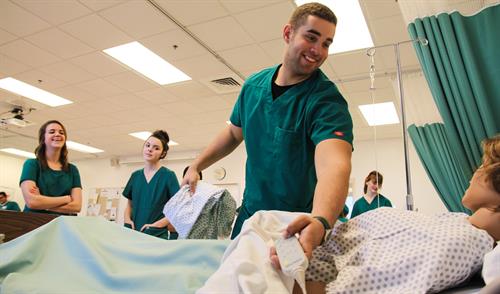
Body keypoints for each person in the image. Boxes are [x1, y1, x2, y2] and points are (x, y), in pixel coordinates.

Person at [183, 2, 353, 257]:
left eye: (327, 43)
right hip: (251, 217)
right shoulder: (252, 86)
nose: (318, 50)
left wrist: (320, 221)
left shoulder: (326, 100)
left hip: (296, 224)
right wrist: (197, 165)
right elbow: (233, 133)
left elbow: (334, 165)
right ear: (288, 33)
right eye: (311, 37)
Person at [302, 136, 500, 293]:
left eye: (484, 165)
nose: (475, 172)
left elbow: (355, 285)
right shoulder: (456, 222)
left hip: (303, 266)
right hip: (314, 245)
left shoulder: (461, 242)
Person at [123, 130, 180, 240]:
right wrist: (127, 220)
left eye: (156, 148)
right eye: (147, 145)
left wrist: (158, 225)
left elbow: (178, 208)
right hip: (133, 233)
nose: (150, 149)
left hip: (156, 235)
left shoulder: (168, 176)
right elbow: (129, 205)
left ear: (163, 154)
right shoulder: (135, 176)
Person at [19, 120, 82, 215]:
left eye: (61, 132)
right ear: (43, 139)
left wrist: (43, 204)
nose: (58, 134)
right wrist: (66, 199)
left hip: (63, 225)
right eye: (52, 132)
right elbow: (32, 202)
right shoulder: (32, 164)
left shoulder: (72, 169)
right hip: (34, 223)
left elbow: (76, 206)